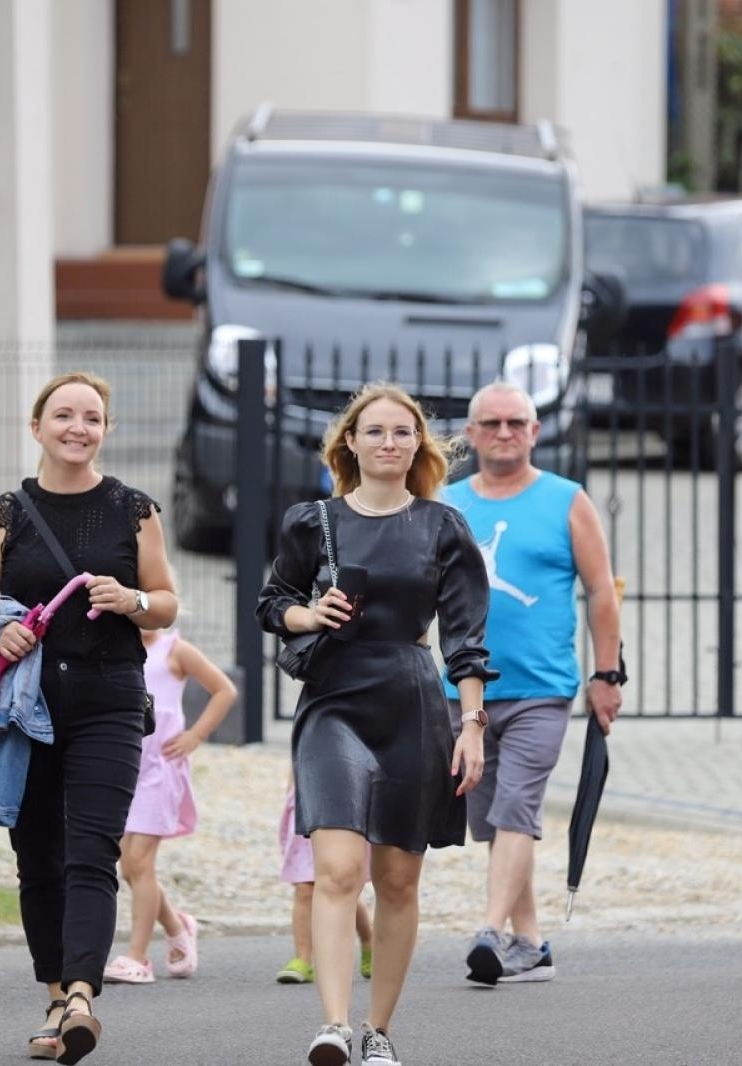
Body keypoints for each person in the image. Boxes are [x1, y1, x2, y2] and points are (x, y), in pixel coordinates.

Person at [257, 382, 495, 1066]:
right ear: (350, 444)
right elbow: (273, 602)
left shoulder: (442, 527)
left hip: (411, 703)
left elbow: (467, 638)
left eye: (402, 432)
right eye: (375, 431)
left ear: (417, 444)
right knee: (335, 869)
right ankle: (333, 1025)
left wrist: (472, 723)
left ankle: (377, 1030)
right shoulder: (312, 520)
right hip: (333, 700)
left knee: (396, 880)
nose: (389, 442)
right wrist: (310, 614)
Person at [0, 371, 179, 1064]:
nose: (78, 428)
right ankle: (56, 995)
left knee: (93, 851)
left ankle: (83, 994)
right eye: (64, 415)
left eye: (92, 417)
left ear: (106, 431)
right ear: (37, 428)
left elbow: (169, 600)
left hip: (110, 698)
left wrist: (134, 602)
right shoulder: (5, 513)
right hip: (24, 710)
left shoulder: (133, 508)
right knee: (37, 857)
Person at [444, 380, 624, 986]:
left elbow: (601, 591)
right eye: (491, 423)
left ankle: (490, 932)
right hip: (463, 693)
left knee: (517, 805)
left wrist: (607, 674)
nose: (504, 433)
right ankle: (532, 943)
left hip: (542, 688)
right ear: (470, 435)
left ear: (535, 431)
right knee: (490, 818)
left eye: (516, 422)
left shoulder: (567, 500)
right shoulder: (447, 505)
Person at [103, 626, 237, 985]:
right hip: (126, 766)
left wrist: (196, 734)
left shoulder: (175, 650)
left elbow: (225, 690)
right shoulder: (116, 645)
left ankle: (138, 958)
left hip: (160, 770)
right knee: (129, 867)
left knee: (138, 862)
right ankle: (178, 925)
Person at [277, 776, 375, 985]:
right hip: (308, 797)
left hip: (345, 800)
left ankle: (369, 941)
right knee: (304, 887)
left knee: (341, 888)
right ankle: (302, 959)